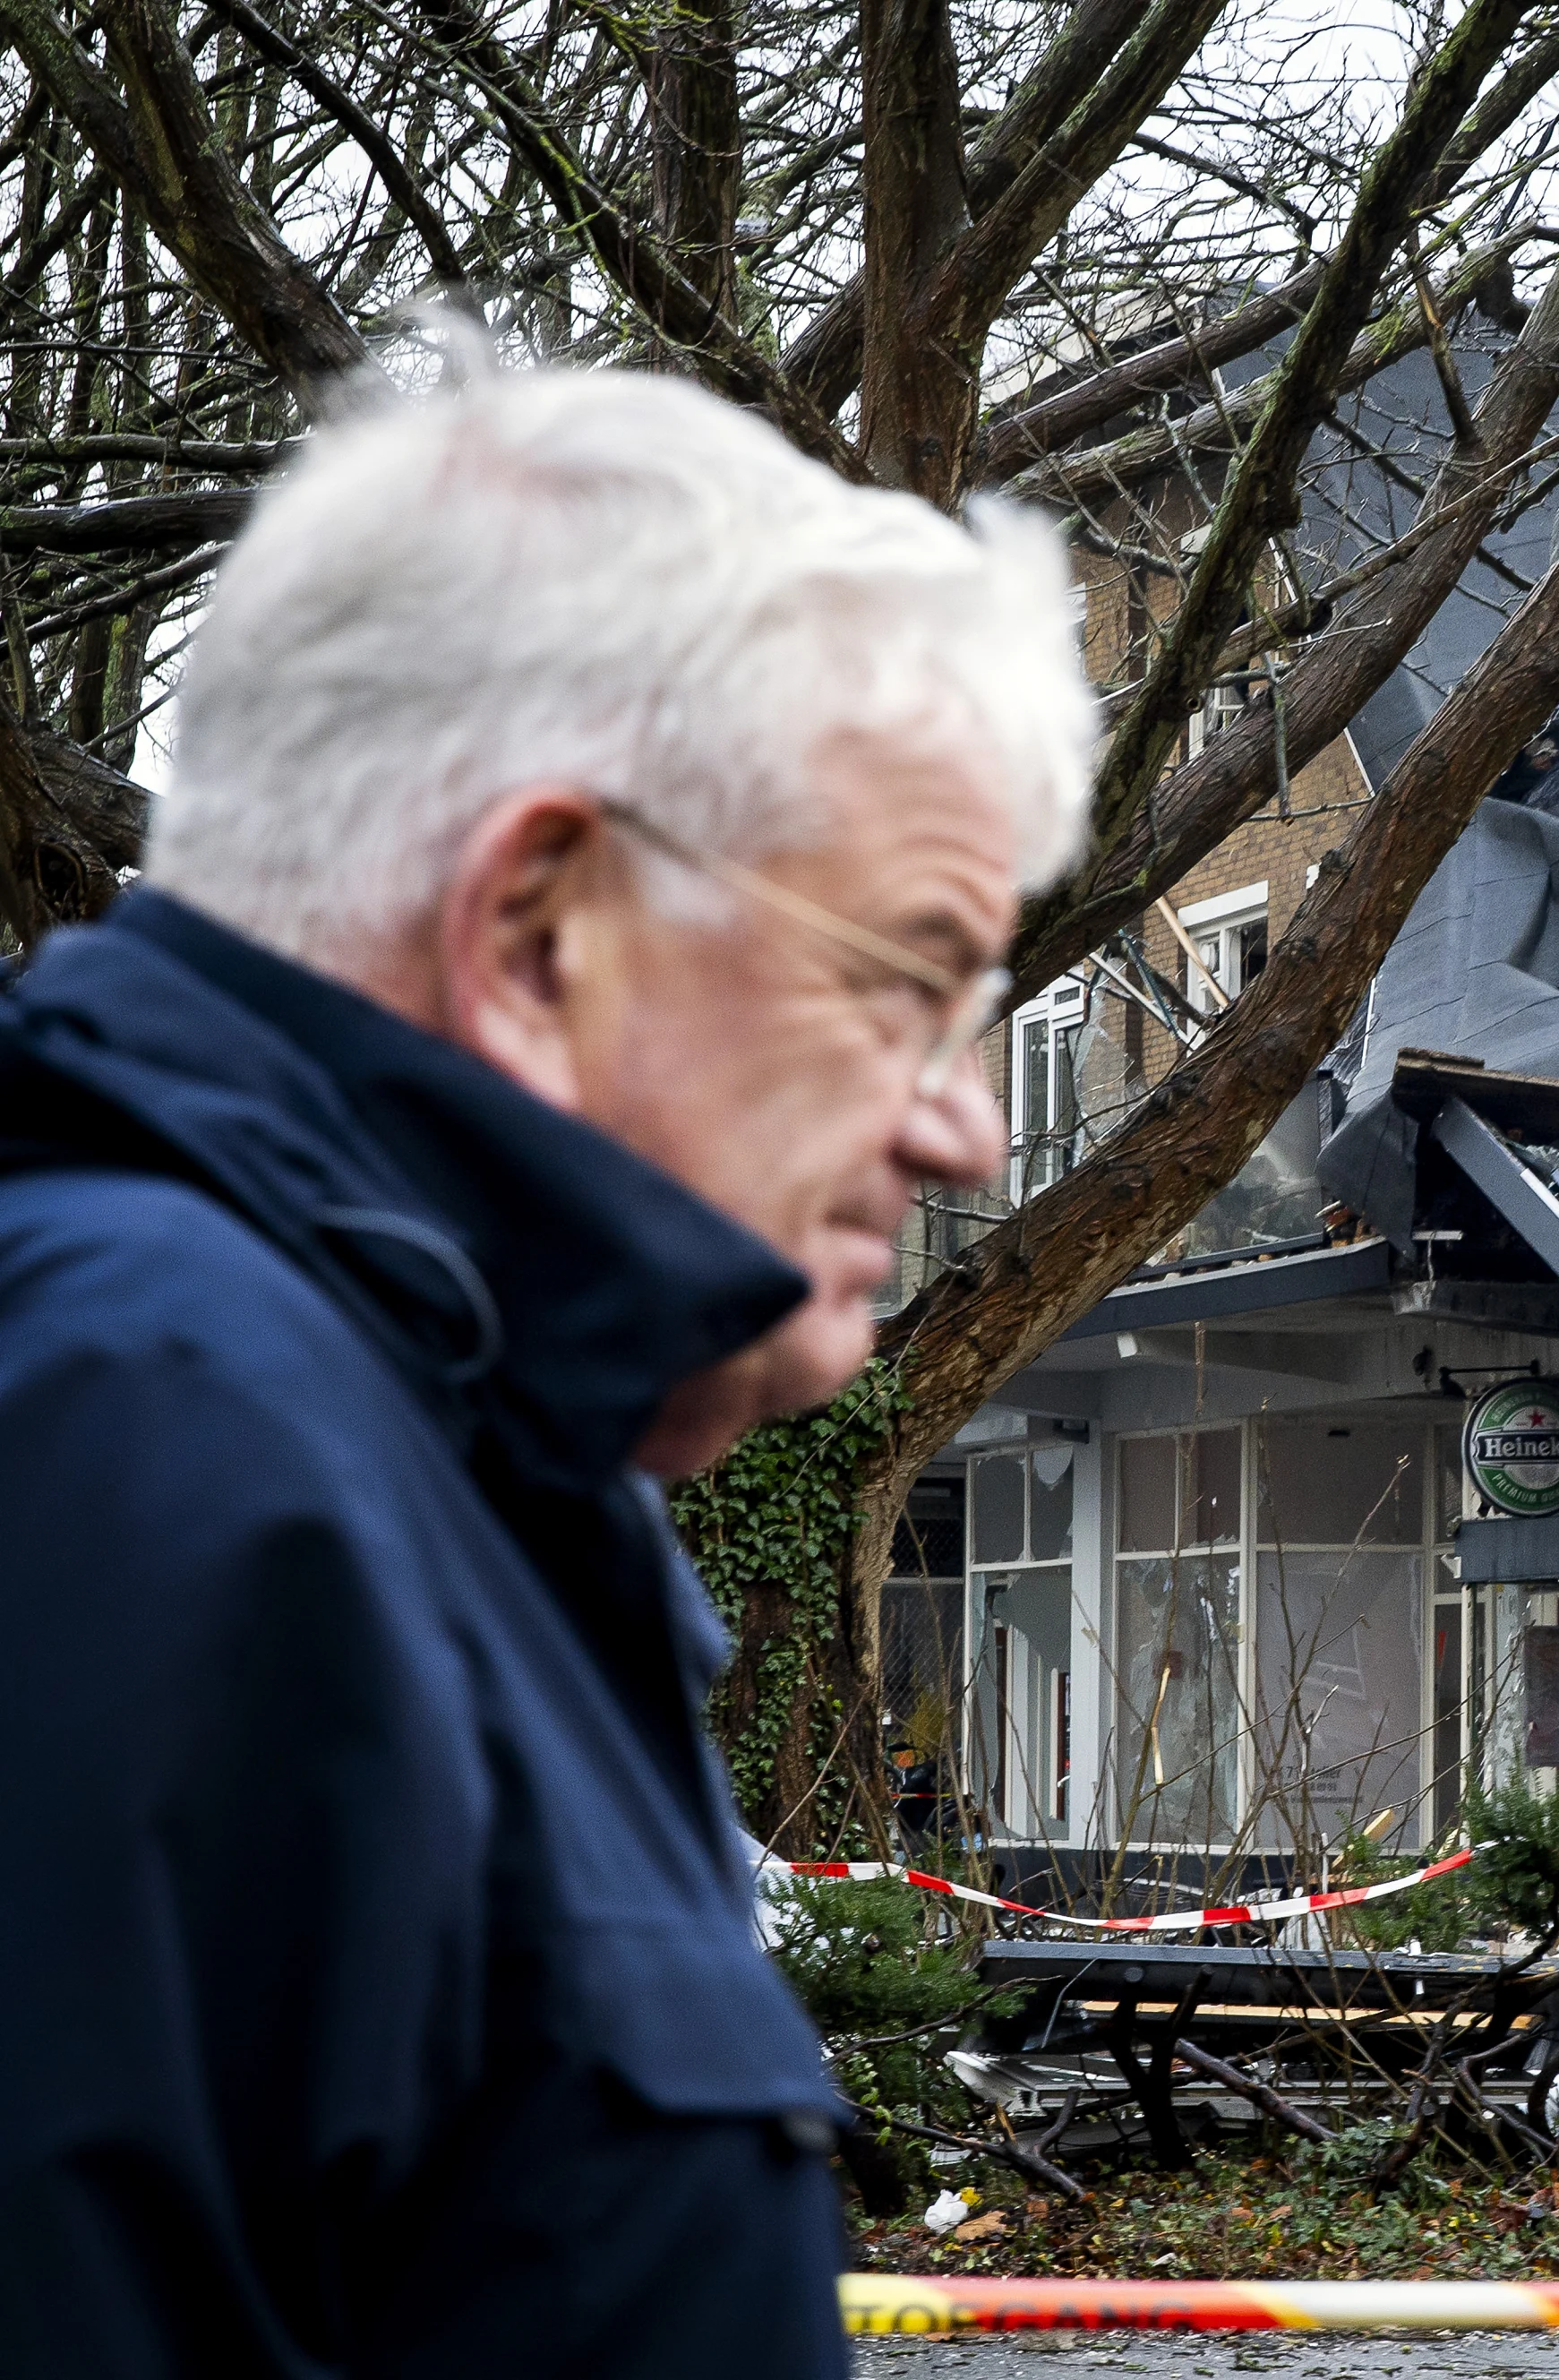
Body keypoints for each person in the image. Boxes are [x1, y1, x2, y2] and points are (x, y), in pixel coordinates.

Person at [0, 367, 1093, 2375]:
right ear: (533, 921)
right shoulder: (151, 1455)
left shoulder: (412, 1463)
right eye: (911, 979)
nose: (969, 1132)